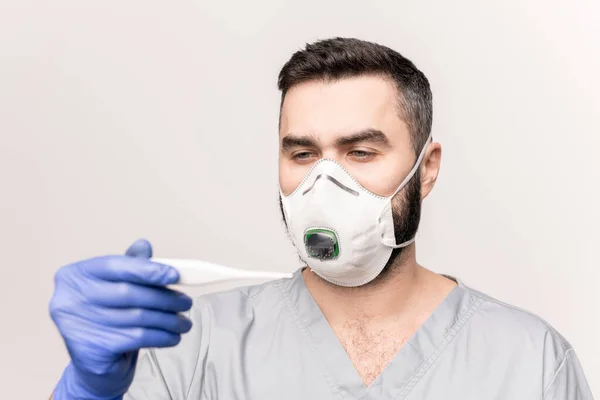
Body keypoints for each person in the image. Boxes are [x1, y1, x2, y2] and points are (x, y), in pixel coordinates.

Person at [48, 37, 594, 399]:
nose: (323, 185)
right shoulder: (193, 346)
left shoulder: (530, 363)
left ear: (426, 170)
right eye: (302, 154)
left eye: (361, 153)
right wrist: (87, 390)